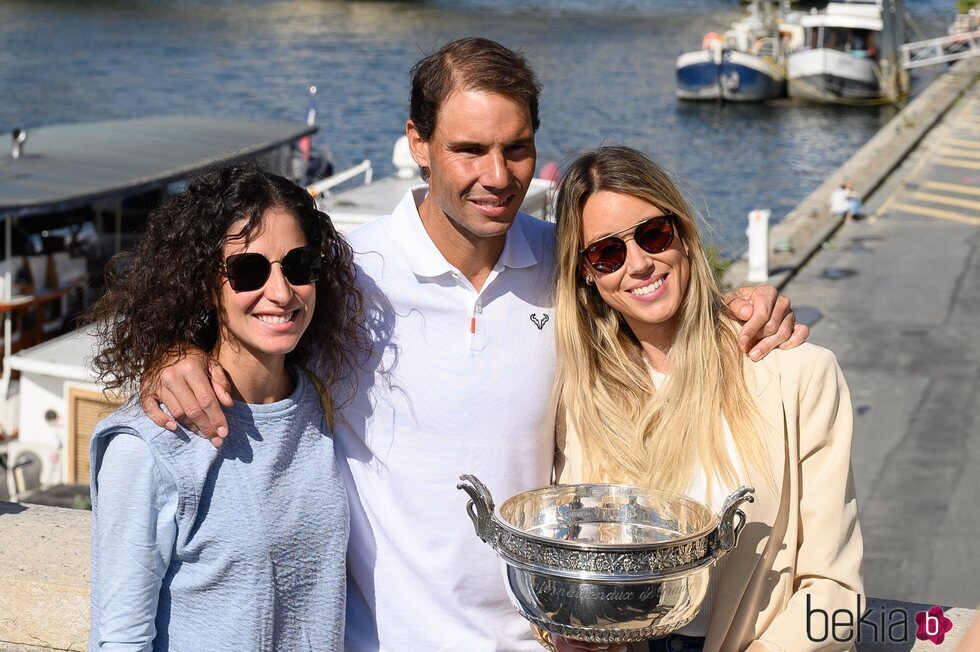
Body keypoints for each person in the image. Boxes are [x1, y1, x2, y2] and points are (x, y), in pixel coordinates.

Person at [139, 38, 809, 651]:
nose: (498, 175)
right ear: (418, 143)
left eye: (516, 148)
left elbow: (658, 311)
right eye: (469, 150)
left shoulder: (573, 266)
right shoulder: (348, 273)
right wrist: (174, 351)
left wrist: (742, 302)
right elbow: (249, 329)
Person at [551, 146, 863, 652]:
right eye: (607, 253)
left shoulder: (798, 374)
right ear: (587, 274)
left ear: (683, 234)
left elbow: (835, 593)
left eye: (653, 234)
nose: (639, 264)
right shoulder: (577, 397)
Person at [87, 165, 366, 650]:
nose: (280, 292)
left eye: (299, 265)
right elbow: (119, 639)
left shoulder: (327, 404)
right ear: (204, 284)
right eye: (248, 270)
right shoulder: (148, 444)